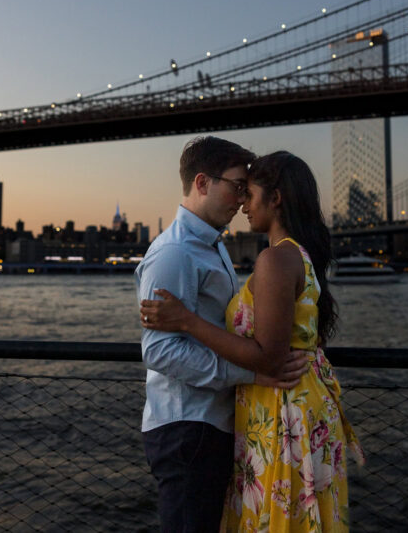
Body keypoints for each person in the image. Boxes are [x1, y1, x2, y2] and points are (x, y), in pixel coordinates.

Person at [141, 151, 364, 532]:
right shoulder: (182, 252)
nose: (243, 201)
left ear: (275, 198)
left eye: (249, 191)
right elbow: (159, 349)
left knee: (278, 520)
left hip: (280, 411)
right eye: (237, 188)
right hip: (215, 420)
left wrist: (189, 322)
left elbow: (268, 356)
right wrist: (249, 374)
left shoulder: (274, 258)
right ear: (202, 183)